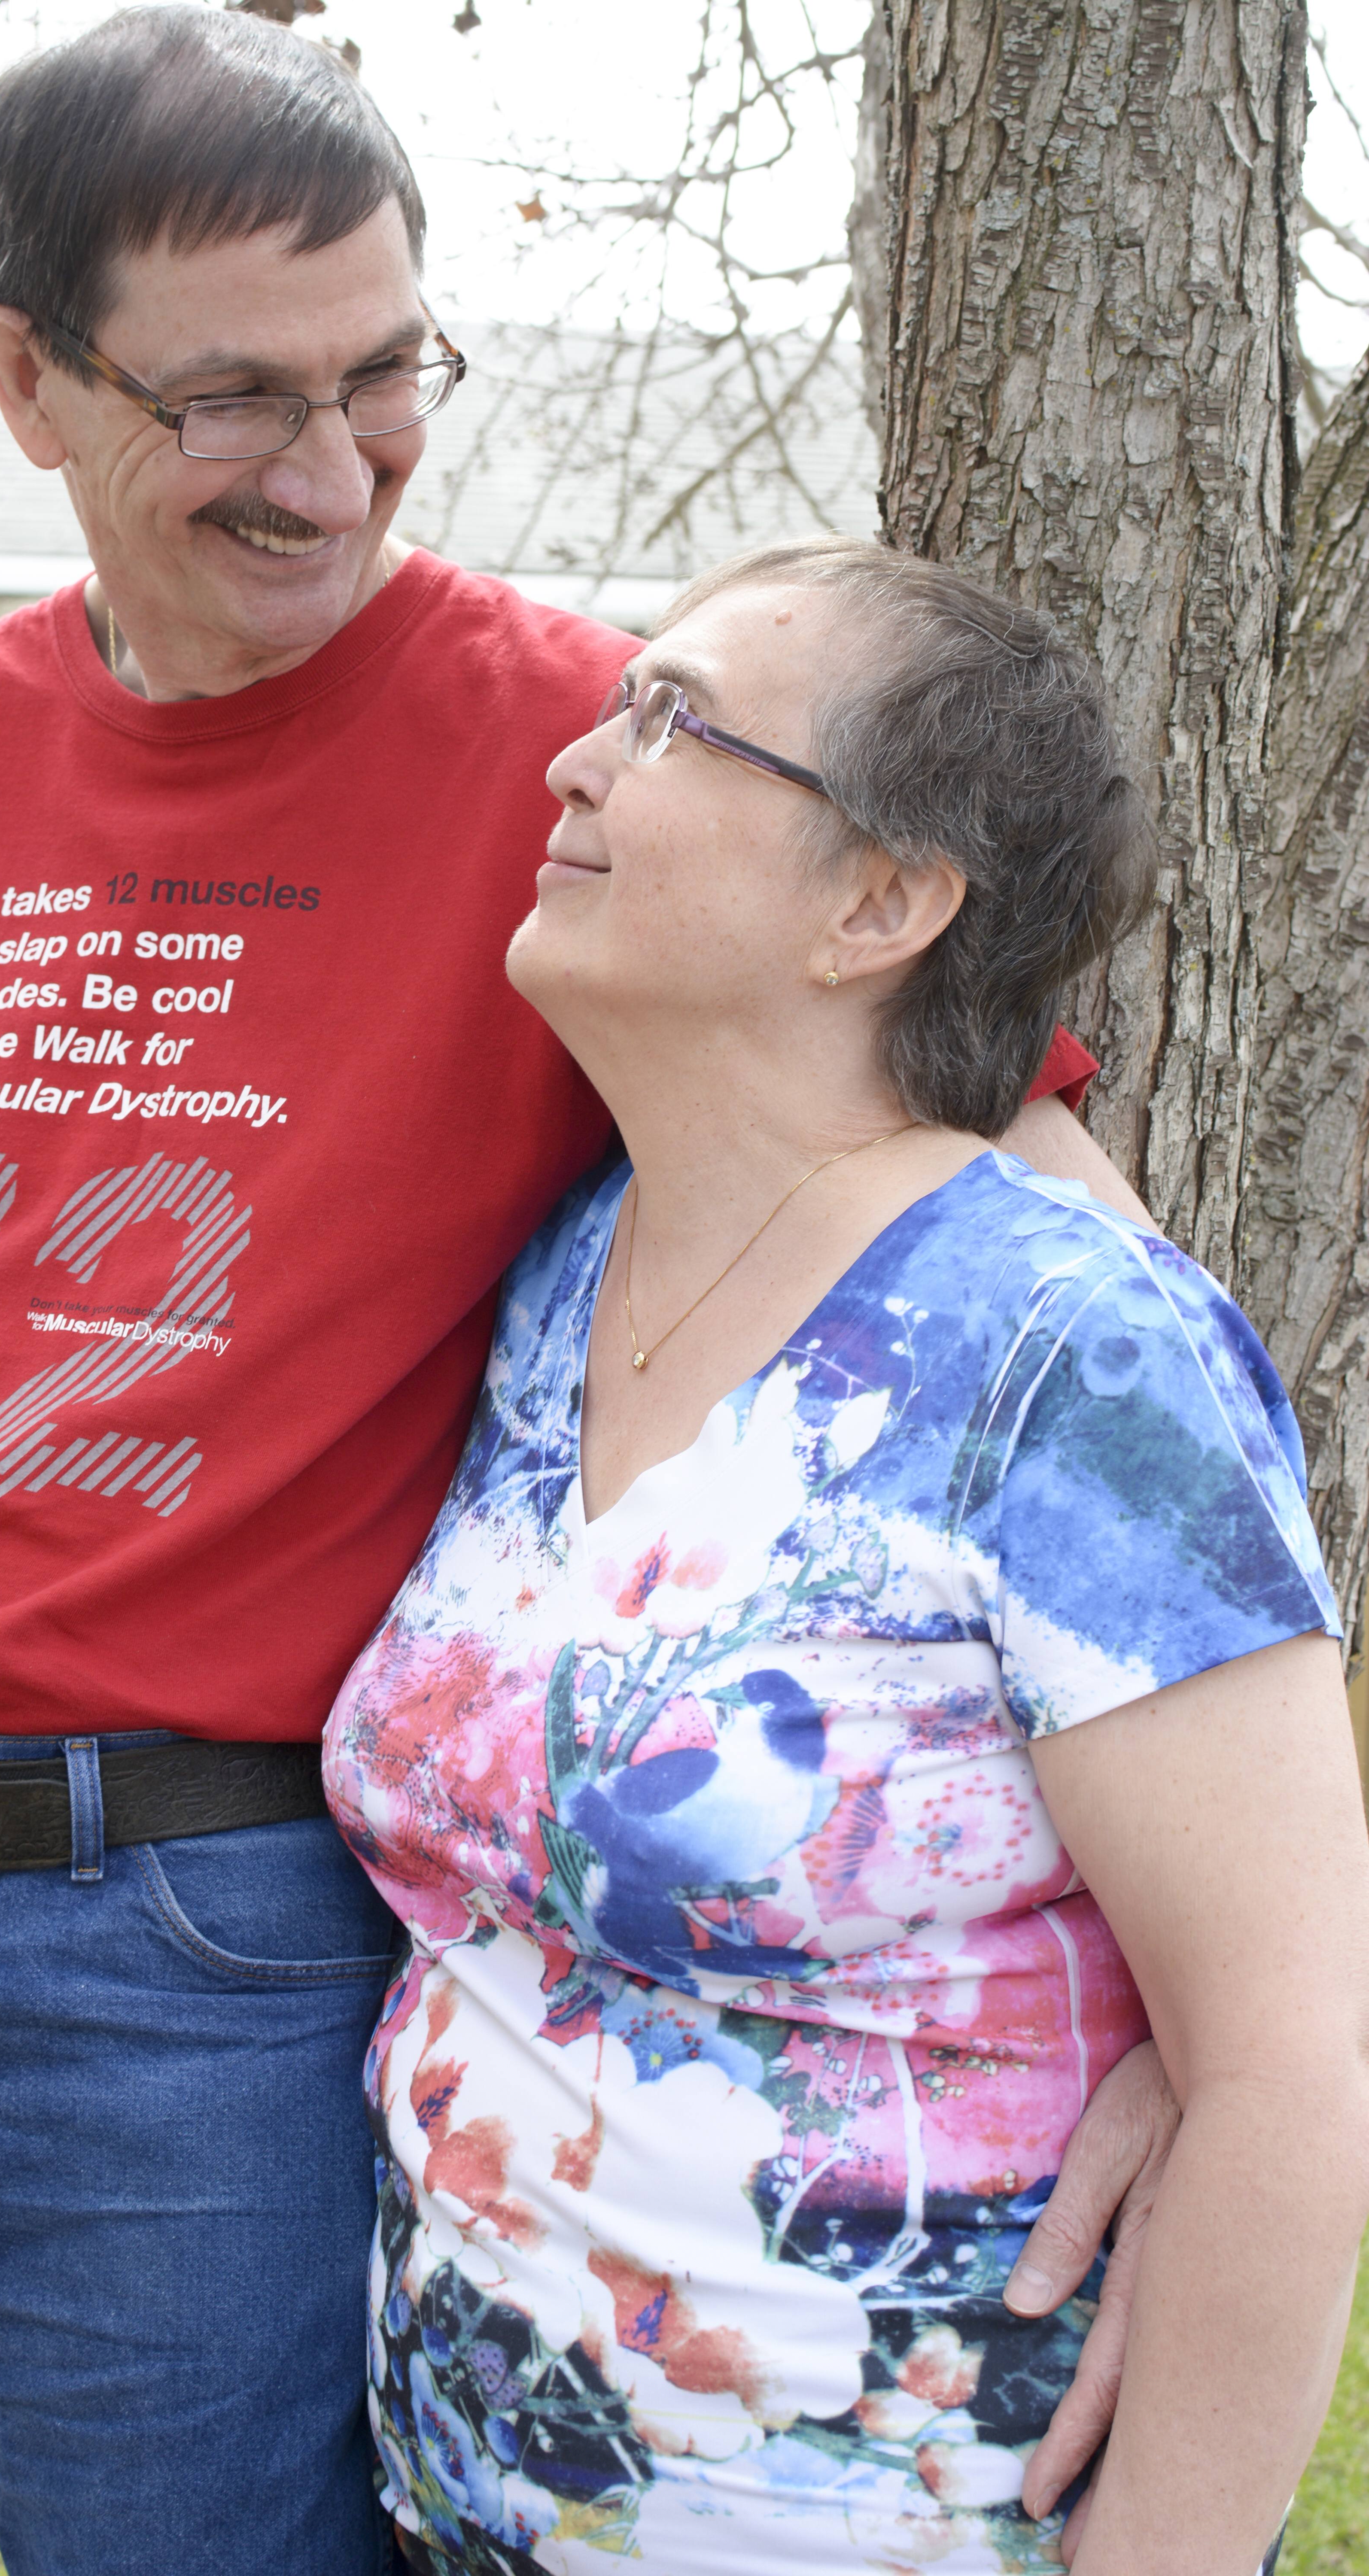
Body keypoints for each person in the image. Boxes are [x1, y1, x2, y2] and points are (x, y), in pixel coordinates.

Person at [0, 11, 1171, 2572]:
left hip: (192, 1963)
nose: (335, 467)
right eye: (238, 395)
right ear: (26, 376)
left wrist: (1199, 1992)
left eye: (386, 374)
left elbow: (1027, 1202)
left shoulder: (598, 766)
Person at [322, 538, 1369, 2575]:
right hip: (451, 2507)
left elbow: (1280, 2065)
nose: (571, 762)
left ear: (879, 906)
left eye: (672, 720)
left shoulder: (1070, 1349)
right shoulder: (559, 1276)